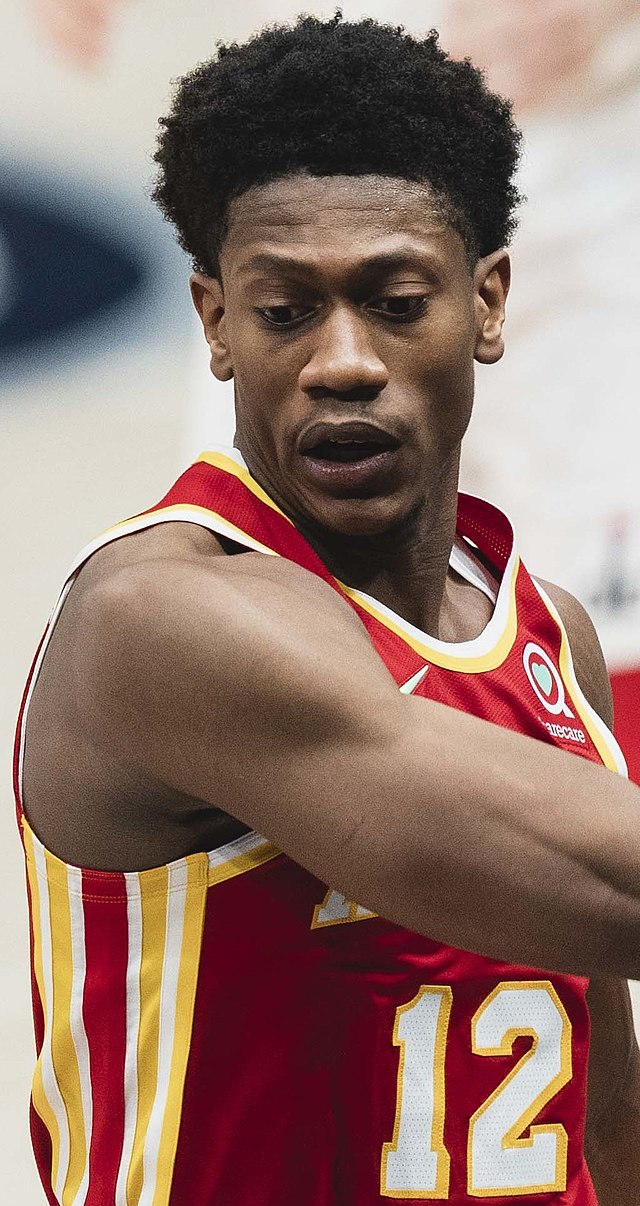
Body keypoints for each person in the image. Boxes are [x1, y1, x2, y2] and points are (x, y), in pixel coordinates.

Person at [14, 12, 640, 1204]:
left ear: (490, 305)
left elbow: (603, 1128)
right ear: (214, 324)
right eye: (285, 310)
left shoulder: (549, 631)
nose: (342, 360)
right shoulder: (159, 617)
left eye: (396, 302)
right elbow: (555, 867)